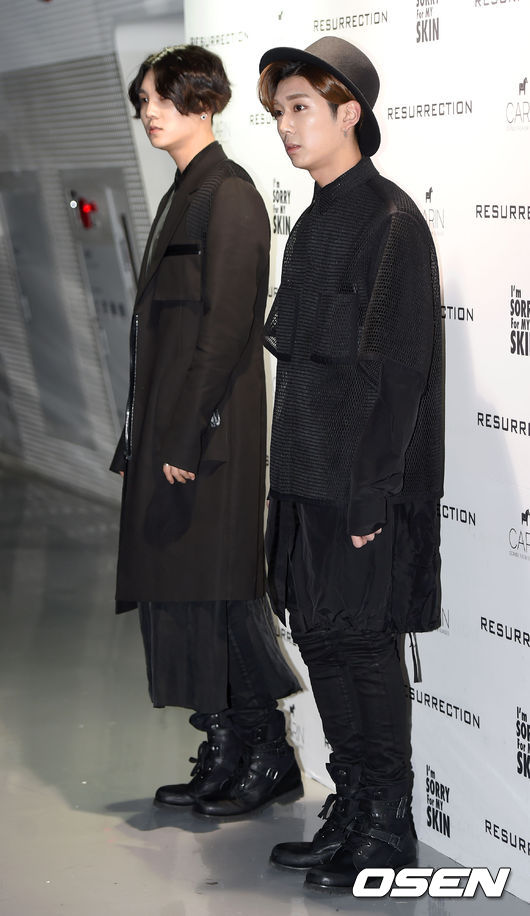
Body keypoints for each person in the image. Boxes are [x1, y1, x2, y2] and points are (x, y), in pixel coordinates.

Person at [257, 37, 444, 891]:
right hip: (304, 477)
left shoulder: (390, 222)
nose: (286, 126)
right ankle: (353, 805)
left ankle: (387, 824)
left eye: (300, 107)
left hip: (361, 487)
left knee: (365, 649)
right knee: (324, 644)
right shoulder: (312, 222)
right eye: (279, 111)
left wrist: (372, 496)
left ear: (348, 113)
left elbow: (398, 375)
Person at [110, 44, 301, 818]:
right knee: (182, 599)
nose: (149, 113)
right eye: (143, 102)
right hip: (171, 434)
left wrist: (185, 438)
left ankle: (268, 755)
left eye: (161, 99)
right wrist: (146, 437)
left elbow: (225, 334)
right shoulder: (184, 192)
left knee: (221, 599)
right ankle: (223, 747)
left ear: (203, 100)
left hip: (210, 443)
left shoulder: (230, 195)